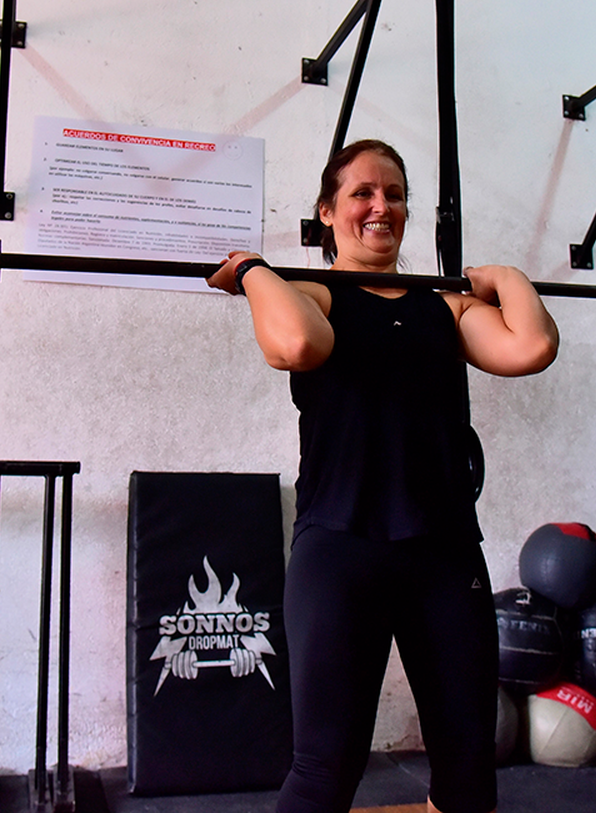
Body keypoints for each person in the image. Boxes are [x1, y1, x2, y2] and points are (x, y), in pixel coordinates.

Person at [207, 139, 559, 813]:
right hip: (342, 551)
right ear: (328, 210)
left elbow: (531, 345)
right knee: (323, 773)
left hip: (445, 556)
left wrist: (504, 276)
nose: (381, 206)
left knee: (468, 773)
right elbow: (297, 344)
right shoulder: (313, 295)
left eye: (394, 194)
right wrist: (254, 268)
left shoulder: (445, 306)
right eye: (363, 193)